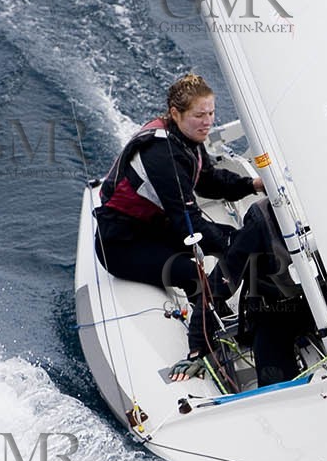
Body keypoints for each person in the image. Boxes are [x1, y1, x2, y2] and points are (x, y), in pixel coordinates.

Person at [94, 74, 262, 303]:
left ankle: (254, 307)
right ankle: (210, 331)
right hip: (120, 245)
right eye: (199, 115)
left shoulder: (187, 137)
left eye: (211, 113)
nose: (208, 122)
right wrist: (237, 245)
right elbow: (188, 224)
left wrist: (252, 185)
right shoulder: (163, 156)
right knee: (192, 274)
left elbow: (208, 182)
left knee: (234, 241)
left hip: (152, 228)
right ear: (175, 113)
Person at [172, 198, 316, 387]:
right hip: (276, 311)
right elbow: (220, 282)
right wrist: (197, 348)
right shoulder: (259, 222)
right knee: (274, 384)